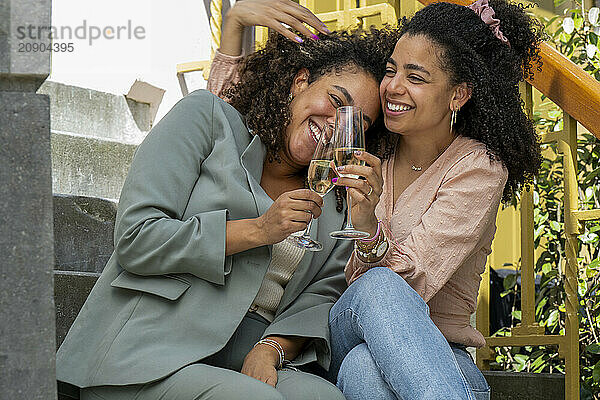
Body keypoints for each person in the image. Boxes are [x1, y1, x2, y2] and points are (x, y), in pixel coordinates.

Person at [54, 3, 398, 399]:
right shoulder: (207, 120)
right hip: (152, 348)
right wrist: (258, 230)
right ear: (299, 83)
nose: (338, 124)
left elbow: (321, 294)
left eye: (357, 123)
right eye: (336, 101)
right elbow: (137, 238)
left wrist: (271, 349)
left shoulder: (335, 202)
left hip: (249, 351)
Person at [326, 0, 543, 399]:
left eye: (416, 77)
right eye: (390, 70)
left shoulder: (478, 168)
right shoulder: (367, 144)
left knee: (364, 370)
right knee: (376, 289)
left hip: (440, 355)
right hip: (349, 323)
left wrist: (369, 227)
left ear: (458, 94)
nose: (392, 86)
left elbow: (414, 281)